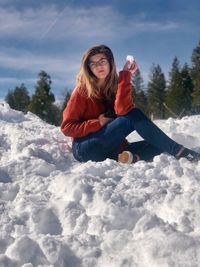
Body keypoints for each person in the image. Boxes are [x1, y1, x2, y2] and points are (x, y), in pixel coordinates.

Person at [61, 44, 200, 164]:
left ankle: (130, 158)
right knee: (134, 115)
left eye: (102, 61)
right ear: (89, 68)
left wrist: (126, 75)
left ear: (110, 63)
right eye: (93, 64)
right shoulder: (81, 91)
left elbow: (123, 110)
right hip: (85, 149)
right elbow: (66, 127)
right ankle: (182, 153)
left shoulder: (114, 88)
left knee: (159, 144)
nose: (99, 66)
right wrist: (98, 123)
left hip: (110, 147)